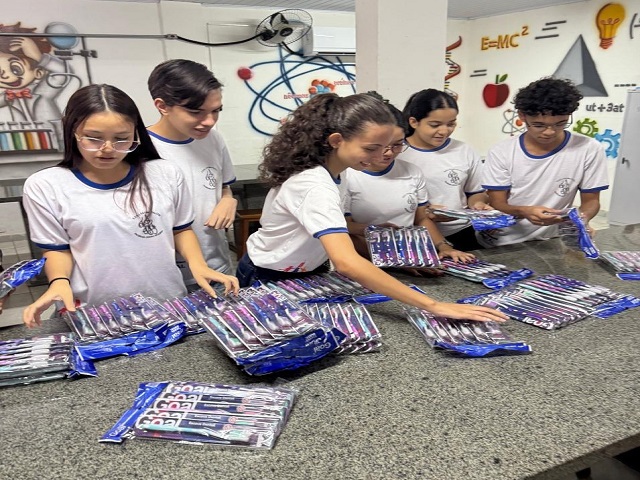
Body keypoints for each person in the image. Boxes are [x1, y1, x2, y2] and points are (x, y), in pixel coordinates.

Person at [236, 93, 507, 323]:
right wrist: (434, 305)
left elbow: (328, 229)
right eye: (371, 148)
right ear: (336, 140)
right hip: (270, 274)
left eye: (389, 146)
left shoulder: (337, 171)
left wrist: (381, 242)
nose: (381, 156)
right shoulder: (314, 183)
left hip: (307, 269)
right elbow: (346, 262)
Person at [21, 84, 239, 328]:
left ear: (136, 134)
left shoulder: (164, 173)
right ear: (72, 131)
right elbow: (57, 249)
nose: (108, 149)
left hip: (165, 303)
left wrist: (198, 264)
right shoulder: (46, 185)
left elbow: (181, 230)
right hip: (94, 312)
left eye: (121, 139)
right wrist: (59, 281)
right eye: (93, 138)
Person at [342, 93, 475, 272]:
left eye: (397, 145)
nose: (389, 152)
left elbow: (421, 218)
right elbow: (345, 231)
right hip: (365, 262)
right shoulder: (347, 176)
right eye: (379, 146)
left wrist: (443, 246)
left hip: (408, 257)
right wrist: (393, 259)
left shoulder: (412, 172)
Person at [480, 77, 609, 247]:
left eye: (560, 124)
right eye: (539, 125)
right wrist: (524, 211)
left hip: (553, 240)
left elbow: (591, 201)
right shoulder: (502, 151)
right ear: (522, 115)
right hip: (504, 240)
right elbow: (497, 203)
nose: (549, 132)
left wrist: (581, 220)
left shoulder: (588, 148)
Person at [147, 59, 237, 287]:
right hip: (167, 277)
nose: (209, 121)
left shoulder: (213, 139)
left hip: (216, 265)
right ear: (162, 106)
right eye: (196, 112)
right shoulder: (142, 150)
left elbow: (222, 185)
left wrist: (228, 199)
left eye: (216, 111)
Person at [399, 89, 490, 251]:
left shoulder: (463, 150)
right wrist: (425, 212)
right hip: (415, 237)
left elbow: (475, 192)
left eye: (451, 124)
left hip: (462, 232)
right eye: (435, 125)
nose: (444, 131)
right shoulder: (398, 153)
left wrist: (478, 204)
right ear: (414, 122)